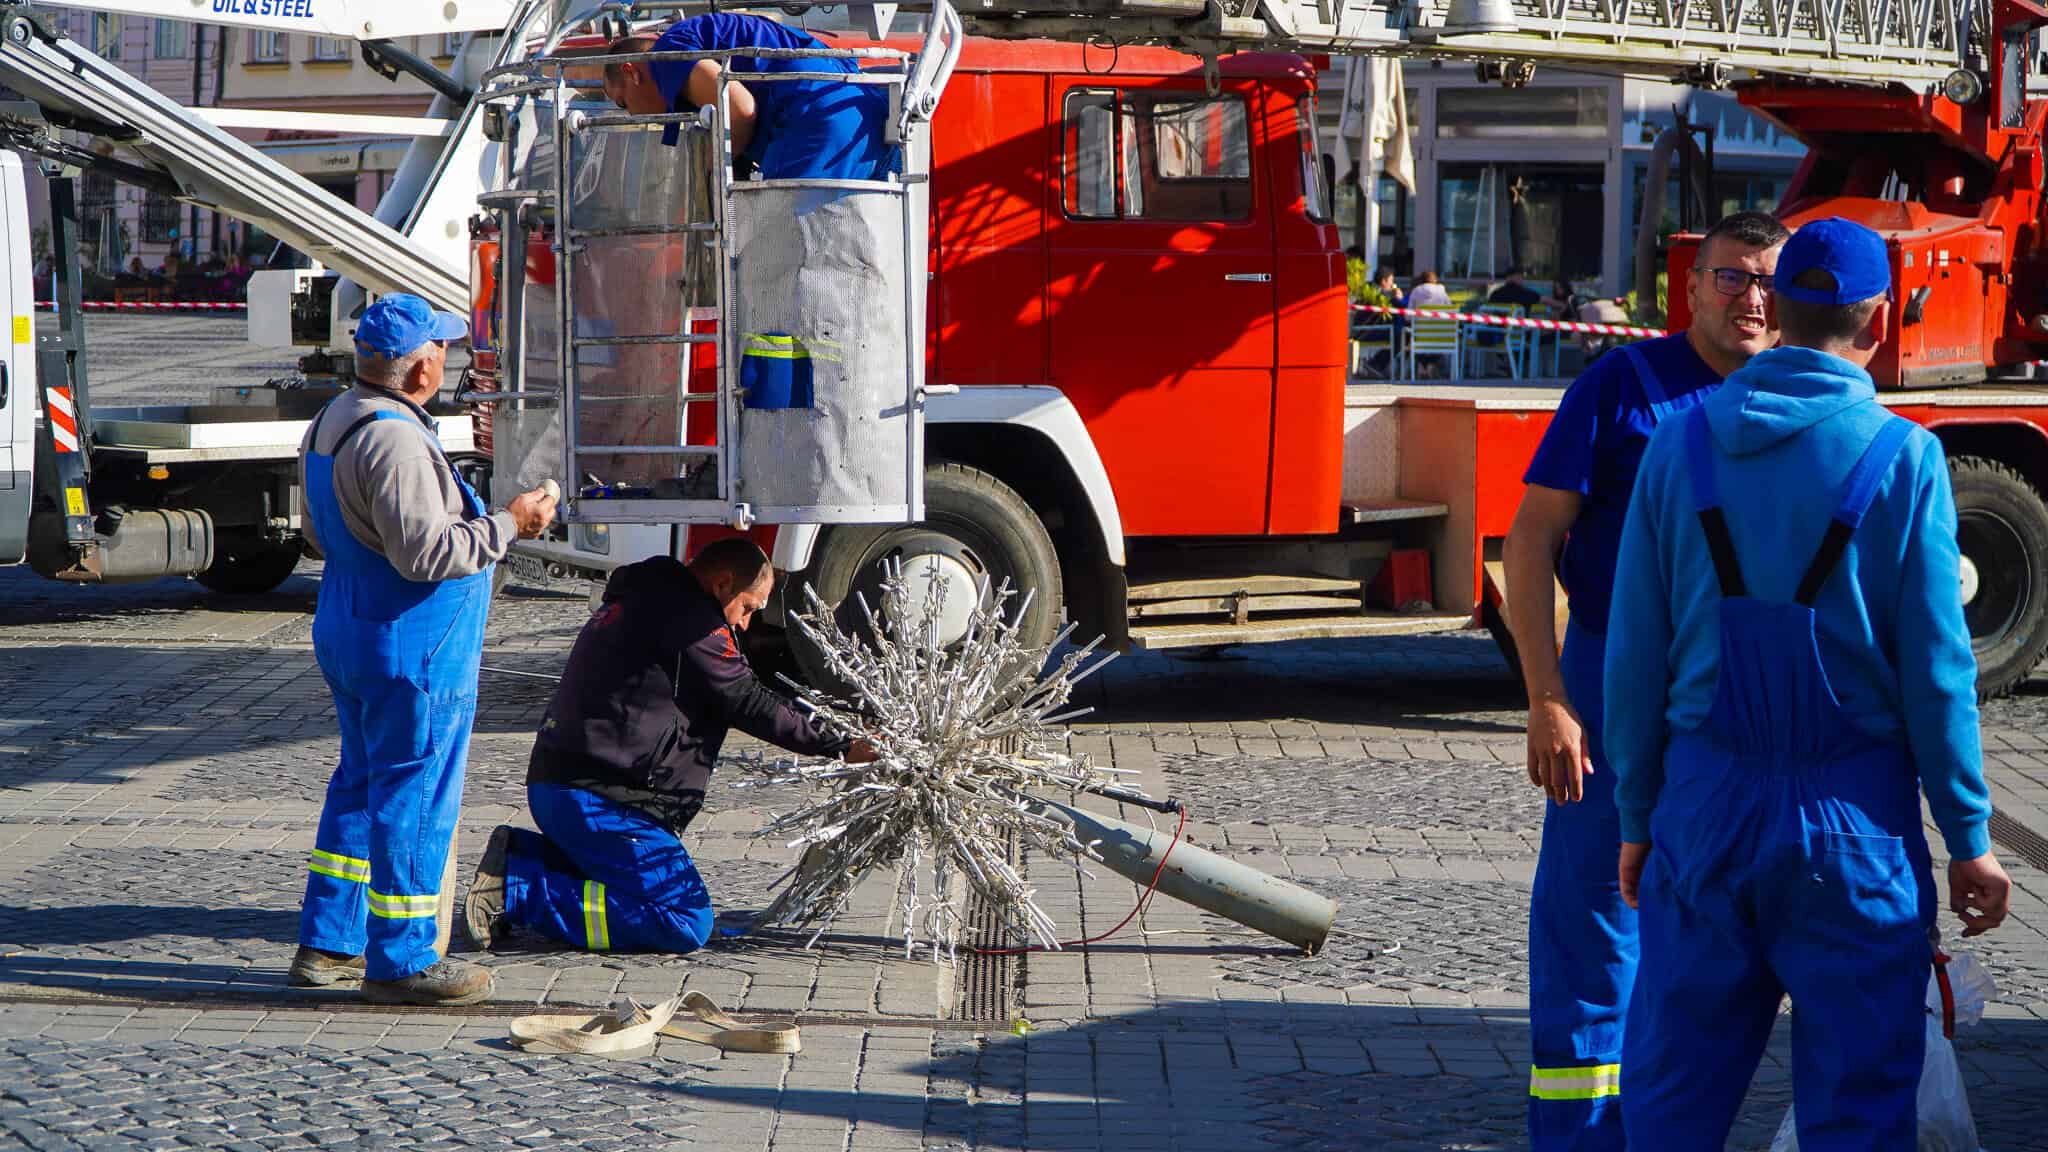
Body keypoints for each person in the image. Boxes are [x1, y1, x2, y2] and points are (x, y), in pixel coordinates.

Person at [1604, 217, 2011, 1147]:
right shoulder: (1904, 459)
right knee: (1858, 1110)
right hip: (1854, 824)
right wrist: (1969, 837)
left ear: (1774, 310)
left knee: (1672, 1099)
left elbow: (1634, 653)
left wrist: (1638, 819)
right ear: (1876, 322)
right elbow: (1939, 676)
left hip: (1704, 810)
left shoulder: (1681, 445)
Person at [1501, 210, 1787, 1152]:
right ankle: (1580, 1136)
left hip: (1735, 710)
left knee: (1711, 928)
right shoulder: (1622, 387)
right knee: (1591, 926)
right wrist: (1547, 699)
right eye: (1732, 277)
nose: (1750, 298)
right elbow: (1532, 537)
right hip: (1607, 690)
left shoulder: (1799, 401)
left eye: (1766, 281)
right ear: (1694, 288)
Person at [289, 293, 559, 1004]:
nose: (450, 359)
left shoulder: (332, 420)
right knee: (413, 794)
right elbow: (426, 554)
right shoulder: (397, 439)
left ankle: (328, 943)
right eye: (443, 348)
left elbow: (317, 533)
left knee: (360, 783)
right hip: (411, 646)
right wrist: (512, 523)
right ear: (421, 370)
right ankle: (403, 960)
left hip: (349, 624)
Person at [461, 539, 877, 955]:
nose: (747, 624)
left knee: (633, 884)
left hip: (575, 786)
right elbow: (750, 701)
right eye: (748, 607)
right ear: (722, 583)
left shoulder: (656, 598)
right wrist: (843, 743)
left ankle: (521, 857)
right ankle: (518, 890)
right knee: (684, 920)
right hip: (602, 798)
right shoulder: (691, 625)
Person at [602, 13, 895, 181]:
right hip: (863, 113)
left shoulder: (666, 55)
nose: (632, 115)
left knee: (784, 260)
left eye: (623, 102)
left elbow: (740, 110)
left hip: (814, 119)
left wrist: (713, 173)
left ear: (631, 73)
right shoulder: (701, 37)